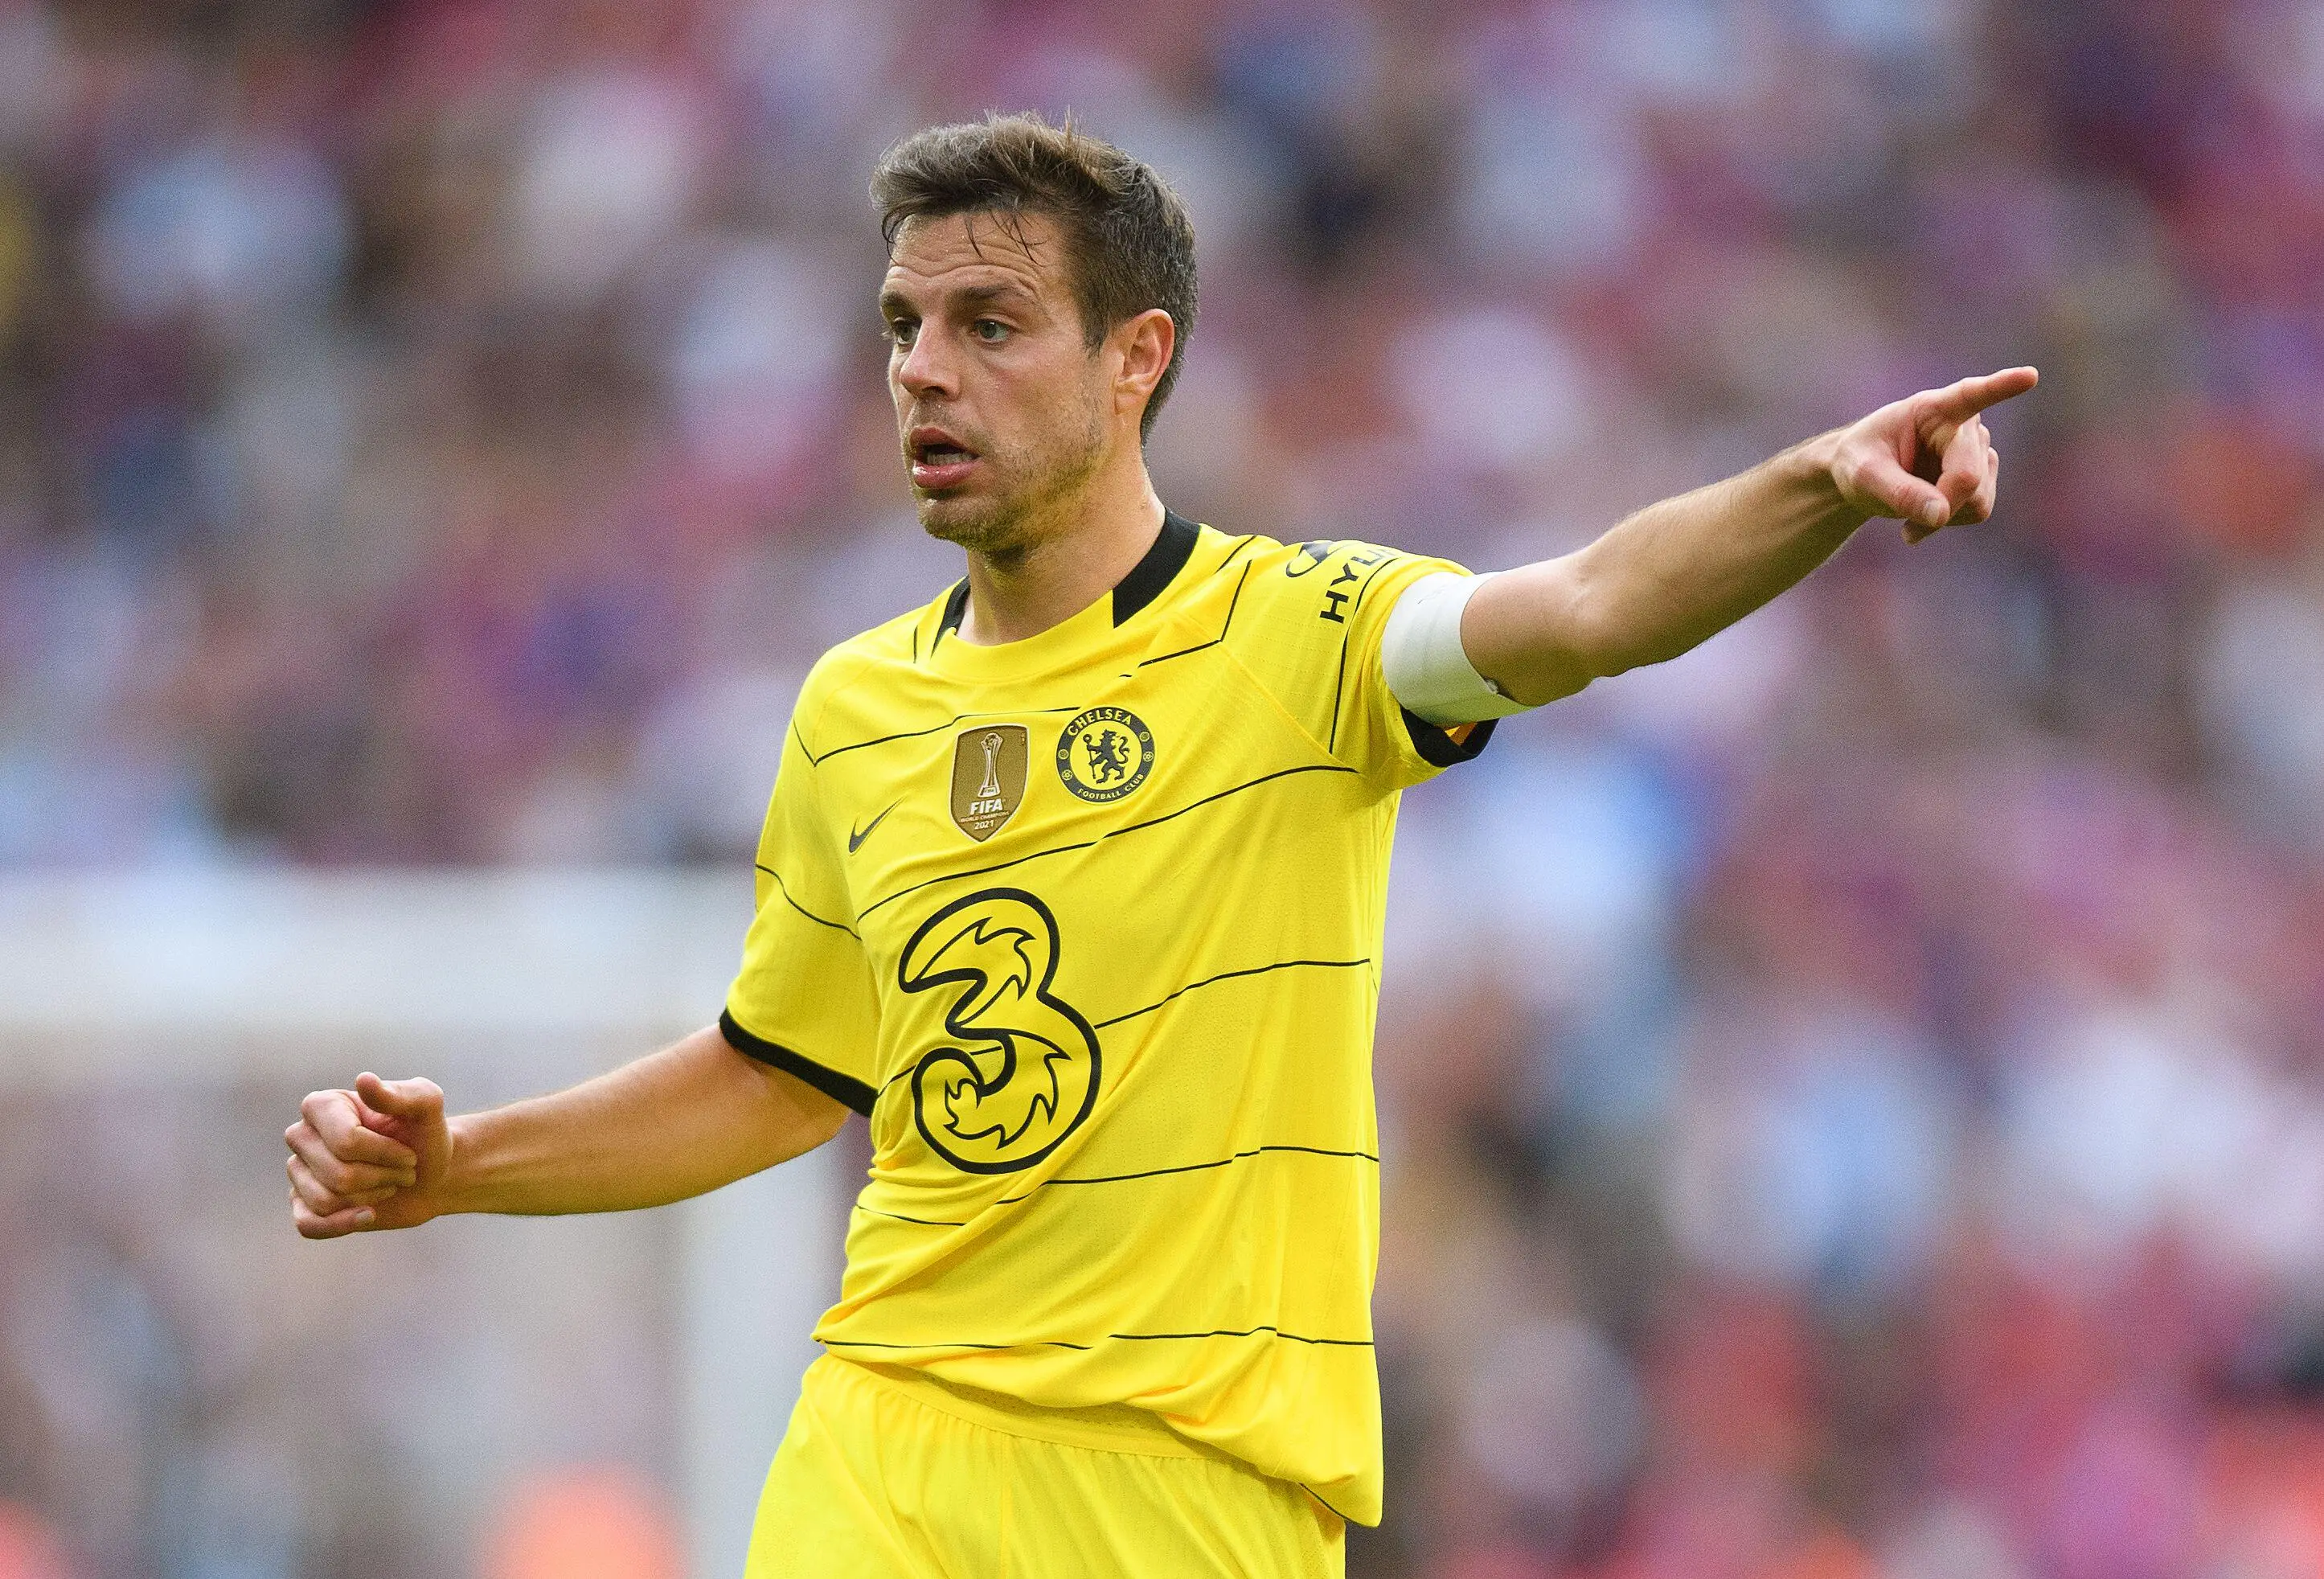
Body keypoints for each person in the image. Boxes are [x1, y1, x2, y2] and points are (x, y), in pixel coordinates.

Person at [284, 113, 2035, 1577]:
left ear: (1138, 360)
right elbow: (779, 1071)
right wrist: (463, 1164)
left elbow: (1582, 605)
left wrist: (1811, 485)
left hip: (1195, 1497)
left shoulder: (1300, 638)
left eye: (988, 323)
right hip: (888, 1448)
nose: (921, 371)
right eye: (900, 326)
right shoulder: (851, 710)